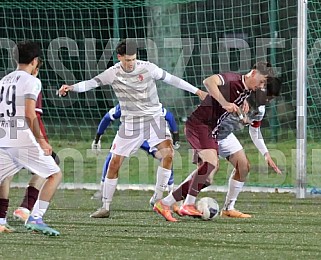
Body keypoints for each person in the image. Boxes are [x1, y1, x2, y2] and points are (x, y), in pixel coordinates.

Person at [58, 39, 207, 218]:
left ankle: (158, 199)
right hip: (130, 125)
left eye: (133, 59)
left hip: (154, 120)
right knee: (114, 163)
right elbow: (91, 83)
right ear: (119, 57)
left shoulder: (148, 68)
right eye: (127, 60)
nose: (130, 64)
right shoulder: (112, 73)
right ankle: (105, 207)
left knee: (168, 154)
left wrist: (196, 91)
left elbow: (172, 79)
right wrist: (71, 88)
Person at [153, 61, 275, 222]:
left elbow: (234, 104)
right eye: (261, 81)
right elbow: (208, 82)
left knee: (208, 177)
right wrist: (225, 103)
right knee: (209, 164)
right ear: (253, 73)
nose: (261, 86)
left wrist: (242, 115)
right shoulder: (232, 79)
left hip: (211, 129)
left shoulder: (246, 91)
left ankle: (166, 203)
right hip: (199, 125)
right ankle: (186, 204)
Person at [176, 77, 282, 219]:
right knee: (206, 176)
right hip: (207, 131)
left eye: (271, 98)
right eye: (267, 96)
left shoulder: (259, 110)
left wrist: (266, 154)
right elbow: (215, 91)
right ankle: (175, 199)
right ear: (259, 88)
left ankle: (228, 208)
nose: (268, 100)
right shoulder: (239, 93)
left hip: (225, 136)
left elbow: (254, 130)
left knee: (243, 167)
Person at [0, 41, 62, 235]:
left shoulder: (3, 80)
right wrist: (42, 140)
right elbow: (29, 113)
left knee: (3, 178)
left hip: (3, 136)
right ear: (35, 61)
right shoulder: (32, 81)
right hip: (21, 138)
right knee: (54, 174)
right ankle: (36, 217)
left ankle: (1, 219)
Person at [90, 103, 180, 209]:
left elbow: (106, 118)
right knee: (166, 156)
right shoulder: (142, 103)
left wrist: (97, 138)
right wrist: (176, 137)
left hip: (138, 137)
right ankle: (170, 191)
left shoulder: (131, 102)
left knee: (113, 159)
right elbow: (169, 117)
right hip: (141, 136)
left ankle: (103, 189)